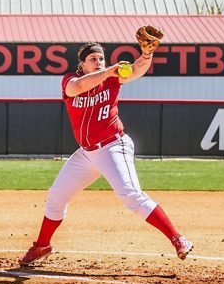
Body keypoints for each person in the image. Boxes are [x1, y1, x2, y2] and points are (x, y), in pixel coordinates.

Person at [19, 26, 193, 266]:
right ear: (81, 64)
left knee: (131, 195)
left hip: (113, 146)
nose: (99, 61)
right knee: (56, 196)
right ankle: (42, 245)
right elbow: (78, 88)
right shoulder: (70, 80)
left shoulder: (112, 78)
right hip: (87, 153)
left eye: (101, 58)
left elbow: (135, 71)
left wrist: (146, 55)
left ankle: (178, 239)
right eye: (93, 59)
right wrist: (110, 70)